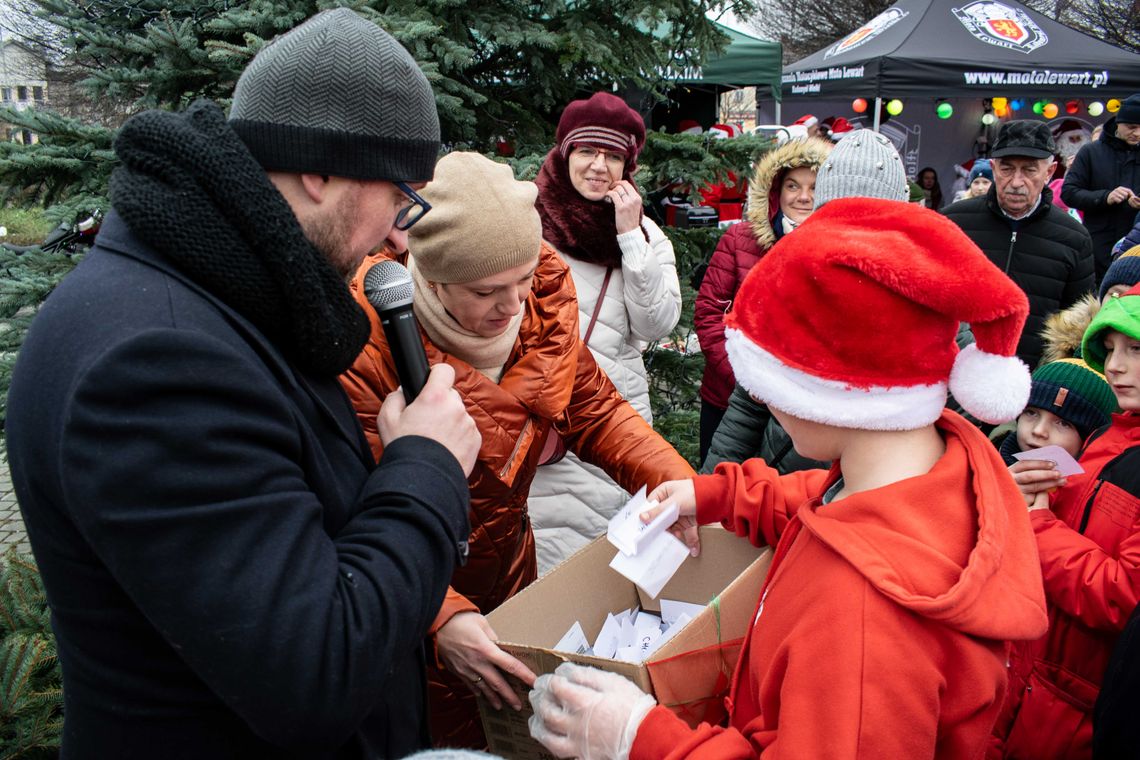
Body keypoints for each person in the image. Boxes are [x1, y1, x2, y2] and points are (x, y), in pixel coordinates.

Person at [3, 9, 481, 759]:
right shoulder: (155, 364)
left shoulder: (224, 297)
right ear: (319, 170)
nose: (400, 235)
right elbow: (315, 671)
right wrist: (425, 466)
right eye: (400, 194)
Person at [527, 197, 1048, 759]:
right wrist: (716, 495)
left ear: (828, 387)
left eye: (772, 376)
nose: (763, 397)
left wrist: (638, 737)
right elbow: (823, 508)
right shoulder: (932, 467)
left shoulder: (862, 624)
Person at [340, 152, 696, 750]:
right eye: (484, 291)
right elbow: (348, 501)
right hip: (407, 592)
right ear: (429, 277)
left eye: (522, 279)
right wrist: (439, 615)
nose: (510, 306)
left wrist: (682, 486)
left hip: (510, 572)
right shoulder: (367, 343)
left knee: (511, 731)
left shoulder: (544, 307)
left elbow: (598, 411)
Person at [527, 92, 683, 575]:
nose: (599, 166)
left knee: (602, 566)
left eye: (613, 156)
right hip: (540, 415)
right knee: (542, 559)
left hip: (615, 418)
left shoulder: (646, 234)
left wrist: (630, 238)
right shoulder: (526, 221)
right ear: (565, 153)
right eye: (588, 152)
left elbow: (657, 325)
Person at [701, 129, 908, 475]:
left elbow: (957, 420)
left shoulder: (924, 295)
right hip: (777, 481)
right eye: (837, 215)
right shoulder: (790, 278)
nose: (850, 232)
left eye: (867, 216)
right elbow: (748, 406)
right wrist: (708, 490)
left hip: (870, 496)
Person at [995, 283, 1140, 758]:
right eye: (1111, 348)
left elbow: (1124, 599)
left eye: (1135, 349)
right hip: (1032, 671)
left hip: (1080, 703)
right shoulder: (1109, 439)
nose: (1115, 365)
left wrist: (1037, 526)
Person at [693, 135, 832, 462]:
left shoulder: (836, 250)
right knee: (721, 492)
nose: (803, 196)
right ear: (776, 191)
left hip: (799, 412)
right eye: (793, 186)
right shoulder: (739, 239)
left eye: (814, 187)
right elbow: (709, 315)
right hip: (728, 398)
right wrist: (745, 381)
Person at [944, 119, 1095, 369]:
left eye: (1029, 170)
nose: (1016, 182)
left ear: (1049, 172)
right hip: (956, 375)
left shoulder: (1074, 238)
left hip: (1032, 385)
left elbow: (1076, 330)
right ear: (993, 168)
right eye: (1007, 168)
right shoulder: (952, 222)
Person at [1062, 93, 1140, 280]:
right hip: (1098, 248)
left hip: (1136, 248)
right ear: (1118, 124)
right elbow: (1069, 192)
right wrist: (1106, 197)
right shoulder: (1091, 151)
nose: (1137, 133)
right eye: (1132, 127)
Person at [992, 358, 1117, 465]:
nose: (1038, 431)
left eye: (1063, 423)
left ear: (1090, 440)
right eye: (1031, 413)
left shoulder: (1092, 491)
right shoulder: (984, 462)